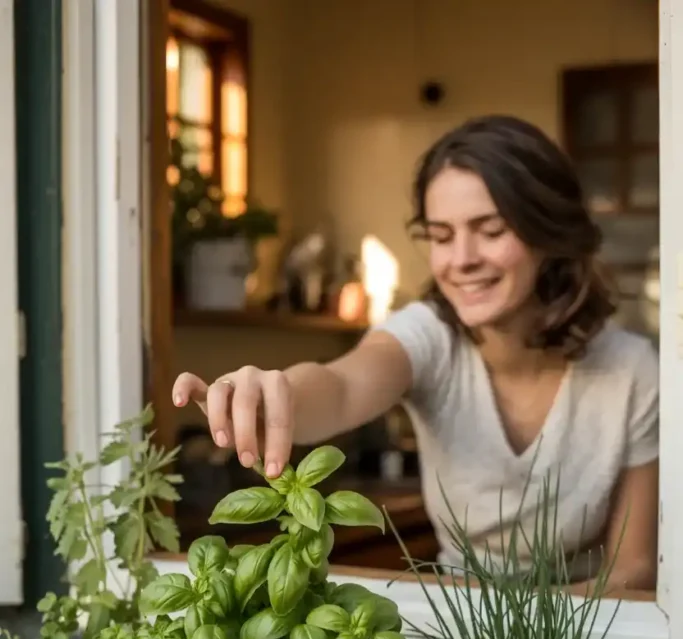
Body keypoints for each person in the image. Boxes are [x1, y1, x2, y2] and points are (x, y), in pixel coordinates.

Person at [173, 115, 659, 590]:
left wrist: (528, 627)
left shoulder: (632, 371)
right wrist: (274, 396)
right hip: (457, 626)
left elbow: (633, 568)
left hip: (590, 627)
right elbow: (342, 386)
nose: (462, 259)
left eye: (491, 230)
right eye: (441, 236)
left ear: (549, 232)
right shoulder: (428, 334)